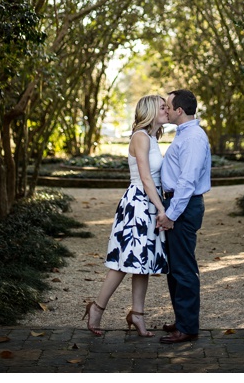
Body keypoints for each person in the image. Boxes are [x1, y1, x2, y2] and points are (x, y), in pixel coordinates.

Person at [83, 95, 171, 337]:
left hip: (149, 203)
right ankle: (97, 309)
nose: (167, 110)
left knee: (142, 265)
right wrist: (162, 209)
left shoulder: (153, 137)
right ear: (151, 111)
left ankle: (137, 315)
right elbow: (145, 178)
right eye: (163, 107)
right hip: (137, 205)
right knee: (124, 262)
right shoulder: (140, 137)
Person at [156, 89, 211, 344]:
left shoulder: (193, 139)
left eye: (167, 106)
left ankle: (188, 328)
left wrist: (171, 214)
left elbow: (187, 182)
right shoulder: (185, 135)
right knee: (175, 268)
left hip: (183, 207)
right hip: (179, 205)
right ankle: (182, 321)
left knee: (184, 268)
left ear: (179, 110)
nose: (164, 110)